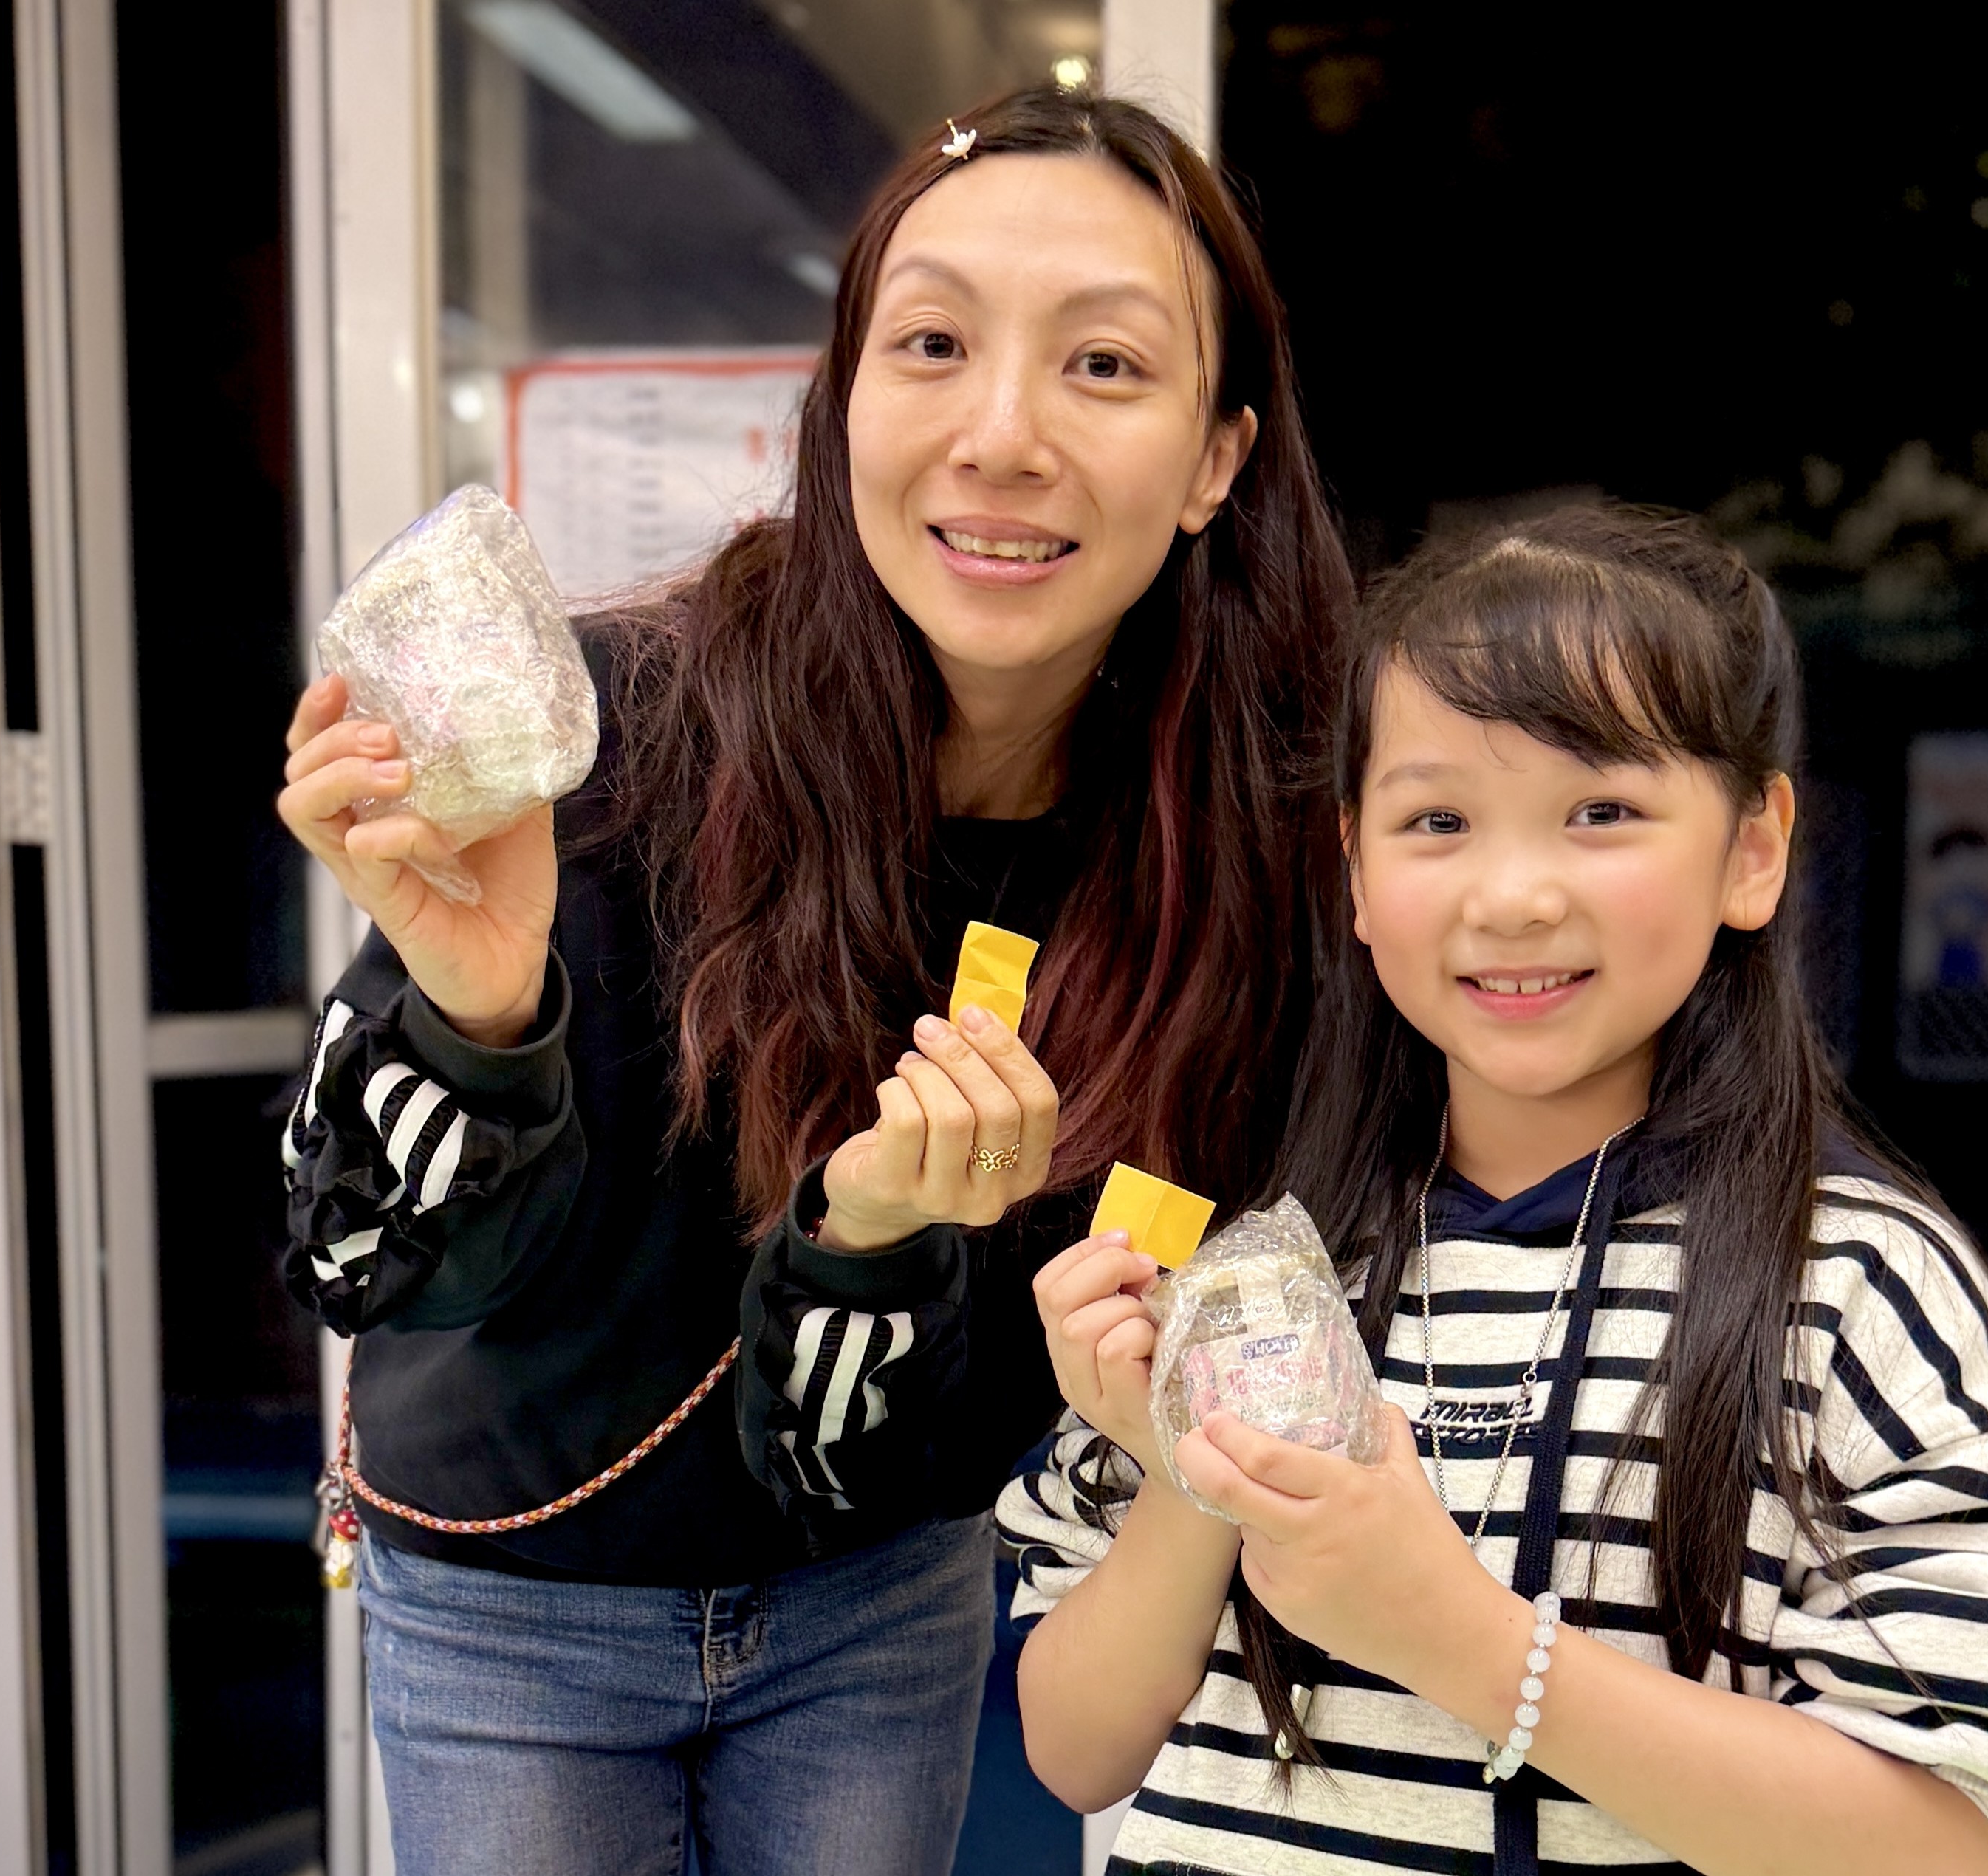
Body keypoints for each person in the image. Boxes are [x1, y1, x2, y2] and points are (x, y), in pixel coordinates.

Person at [274, 89, 1350, 1875]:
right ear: (844, 395)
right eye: (930, 344)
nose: (999, 436)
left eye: (1101, 365)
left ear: (1215, 459)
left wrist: (869, 1241)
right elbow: (351, 1263)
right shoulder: (605, 735)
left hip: (876, 1598)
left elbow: (883, 1449)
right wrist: (473, 1013)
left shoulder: (1221, 859)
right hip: (515, 1597)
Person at [1005, 505, 1988, 1876]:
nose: (1513, 895)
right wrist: (1184, 1475)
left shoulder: (1855, 1284)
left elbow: (1975, 1839)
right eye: (1438, 818)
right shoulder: (1255, 1268)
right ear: (1355, 869)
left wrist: (1460, 1636)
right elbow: (1075, 1750)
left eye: (1601, 812)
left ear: (1752, 849)